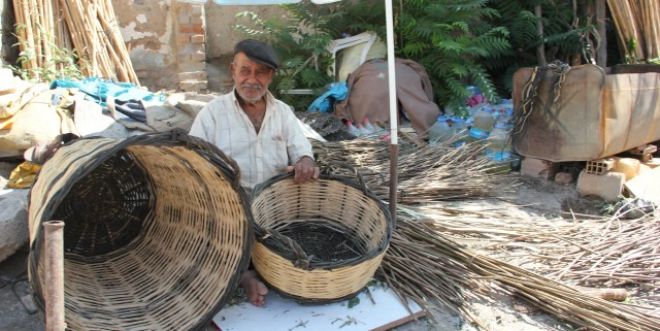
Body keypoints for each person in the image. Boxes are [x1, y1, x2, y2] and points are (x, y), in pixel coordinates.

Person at [189, 39, 320, 307]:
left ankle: (258, 269)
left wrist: (305, 161)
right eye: (245, 70)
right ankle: (245, 274)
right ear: (232, 71)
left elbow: (301, 148)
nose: (252, 79)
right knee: (215, 242)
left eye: (260, 72)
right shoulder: (212, 114)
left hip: (275, 207)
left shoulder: (282, 112)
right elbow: (193, 161)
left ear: (270, 76)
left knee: (295, 244)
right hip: (230, 209)